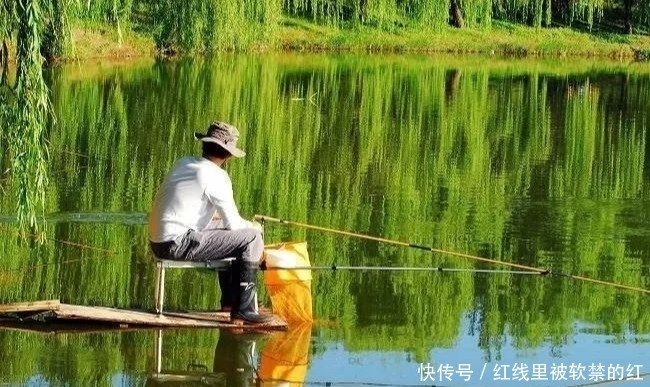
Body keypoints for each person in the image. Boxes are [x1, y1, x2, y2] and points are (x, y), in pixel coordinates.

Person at [148, 121, 272, 325]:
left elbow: (202, 213)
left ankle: (230, 303)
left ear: (204, 145)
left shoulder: (184, 163)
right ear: (228, 155)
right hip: (176, 243)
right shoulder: (217, 177)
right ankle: (244, 309)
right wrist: (254, 227)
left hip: (158, 241)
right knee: (251, 239)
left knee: (234, 236)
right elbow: (234, 224)